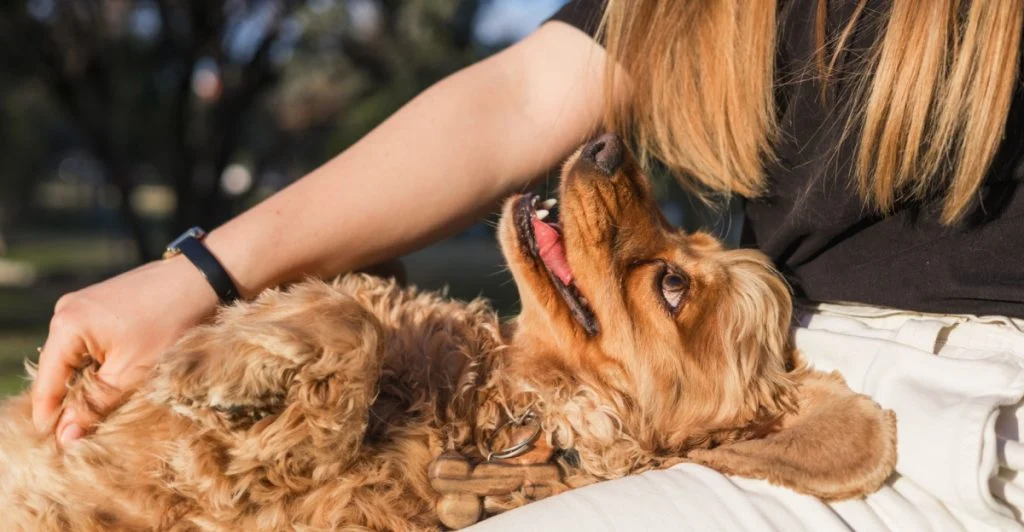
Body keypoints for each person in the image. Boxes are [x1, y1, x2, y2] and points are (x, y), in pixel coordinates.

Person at [32, 0, 1024, 460]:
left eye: (665, 274)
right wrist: (204, 271)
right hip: (766, 376)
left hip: (968, 417)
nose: (605, 166)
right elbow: (526, 99)